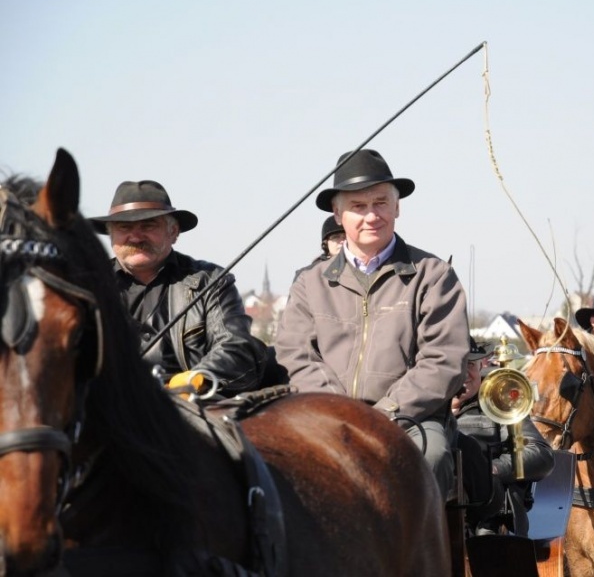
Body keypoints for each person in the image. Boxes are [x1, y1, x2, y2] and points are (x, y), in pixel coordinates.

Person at [275, 149, 469, 498]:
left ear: (398, 207)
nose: (371, 216)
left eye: (381, 202)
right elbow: (295, 355)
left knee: (431, 457)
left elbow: (444, 360)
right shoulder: (309, 282)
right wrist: (341, 414)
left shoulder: (434, 275)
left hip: (409, 420)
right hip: (326, 416)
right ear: (338, 213)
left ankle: (415, 553)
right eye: (358, 206)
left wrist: (385, 415)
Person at [90, 180, 265, 397]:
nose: (135, 237)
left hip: (191, 407)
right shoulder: (88, 286)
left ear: (174, 232)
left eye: (148, 225)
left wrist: (196, 379)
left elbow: (236, 348)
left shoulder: (210, 282)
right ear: (111, 236)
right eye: (124, 227)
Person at [452, 337, 554, 535]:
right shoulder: (421, 410)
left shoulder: (501, 403)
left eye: (470, 364)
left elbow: (540, 455)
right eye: (455, 364)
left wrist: (491, 470)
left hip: (488, 520)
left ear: (481, 366)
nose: (464, 372)